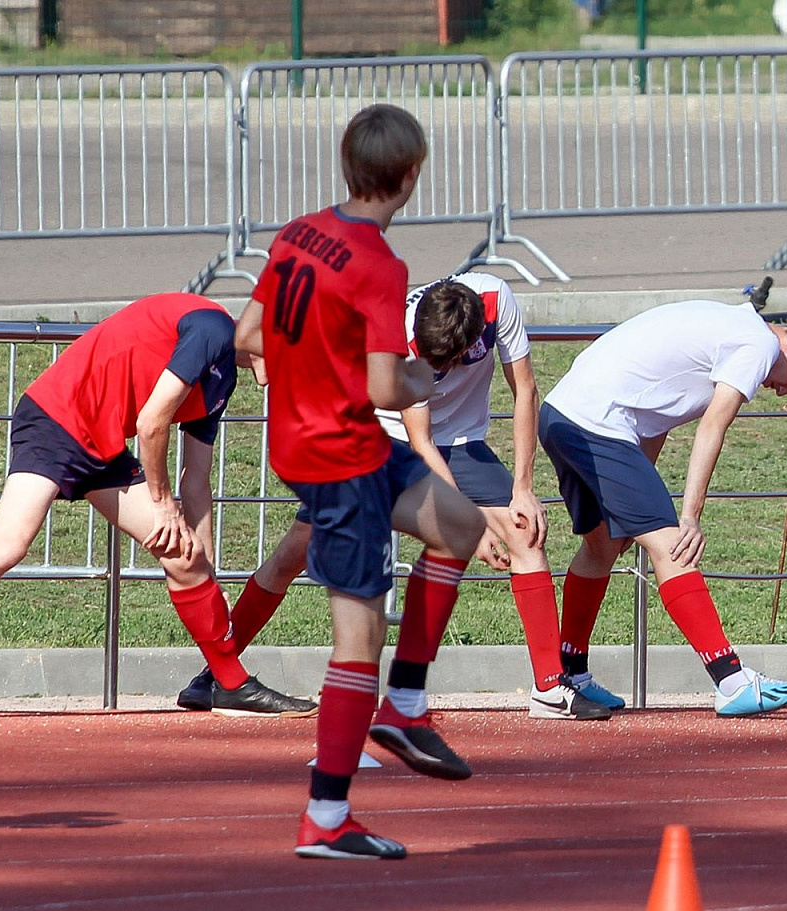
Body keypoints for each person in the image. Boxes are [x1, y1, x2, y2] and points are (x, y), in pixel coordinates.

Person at [178, 272, 615, 721]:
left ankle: (549, 688)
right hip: (378, 440)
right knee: (294, 554)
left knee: (525, 534)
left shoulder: (495, 299)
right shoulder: (398, 335)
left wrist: (523, 487)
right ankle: (217, 673)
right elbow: (420, 442)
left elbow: (525, 389)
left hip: (462, 444)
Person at [237, 104, 487, 860]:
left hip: (329, 442)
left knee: (463, 525)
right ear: (410, 177)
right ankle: (327, 815)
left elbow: (250, 336)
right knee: (358, 638)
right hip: (339, 457)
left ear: (348, 165)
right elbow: (385, 387)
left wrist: (316, 368)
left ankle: (404, 707)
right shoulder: (381, 266)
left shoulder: (296, 233)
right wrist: (426, 375)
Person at [0, 294, 314, 723]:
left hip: (102, 445)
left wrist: (205, 569)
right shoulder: (212, 327)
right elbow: (152, 421)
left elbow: (196, 480)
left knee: (184, 556)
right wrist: (161, 503)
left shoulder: (222, 377)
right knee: (8, 545)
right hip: (54, 419)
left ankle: (228, 684)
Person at [538, 299, 787, 716]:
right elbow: (712, 427)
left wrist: (632, 500)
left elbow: (656, 420)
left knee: (603, 547)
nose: (781, 392)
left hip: (562, 415)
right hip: (597, 422)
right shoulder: (757, 344)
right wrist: (689, 516)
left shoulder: (733, 328)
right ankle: (731, 681)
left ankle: (568, 678)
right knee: (674, 546)